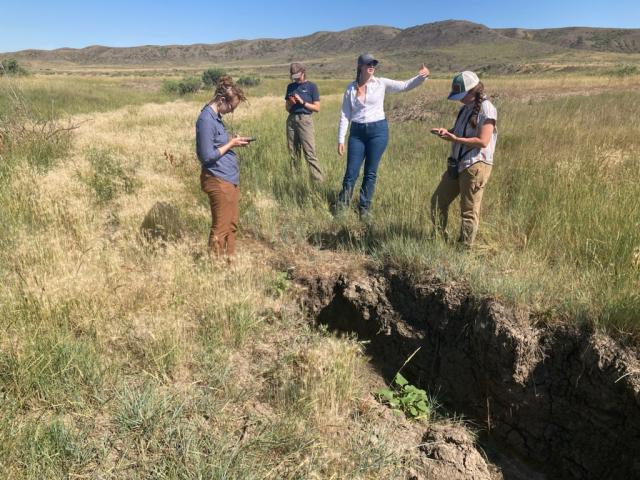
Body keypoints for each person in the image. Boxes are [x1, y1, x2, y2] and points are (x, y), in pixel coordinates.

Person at [337, 53, 430, 219]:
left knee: (370, 172)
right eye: (368, 63)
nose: (372, 65)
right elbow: (345, 114)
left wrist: (422, 76)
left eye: (373, 63)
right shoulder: (350, 88)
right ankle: (342, 206)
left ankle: (364, 208)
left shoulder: (381, 83)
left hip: (378, 131)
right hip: (357, 133)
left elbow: (404, 85)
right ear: (360, 67)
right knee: (351, 172)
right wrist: (340, 139)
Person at [430, 71, 497, 248]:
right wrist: (448, 132)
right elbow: (462, 131)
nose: (459, 100)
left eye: (461, 95)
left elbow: (483, 141)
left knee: (468, 211)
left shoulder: (487, 108)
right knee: (438, 201)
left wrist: (455, 139)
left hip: (475, 165)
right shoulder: (465, 109)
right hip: (458, 163)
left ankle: (463, 250)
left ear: (472, 91)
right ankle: (438, 241)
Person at [196, 75, 251, 259]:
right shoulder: (206, 120)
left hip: (229, 178)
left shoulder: (216, 117)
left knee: (232, 224)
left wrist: (231, 141)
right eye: (231, 108)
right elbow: (206, 156)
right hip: (217, 179)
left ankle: (230, 260)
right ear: (221, 100)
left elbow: (216, 146)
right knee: (220, 227)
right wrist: (231, 144)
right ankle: (215, 268)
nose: (231, 112)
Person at [285, 62, 323, 182]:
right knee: (293, 153)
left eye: (297, 76)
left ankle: (318, 183)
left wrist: (303, 103)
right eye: (293, 77)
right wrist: (290, 102)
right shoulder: (290, 87)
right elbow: (287, 108)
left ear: (303, 72)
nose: (296, 79)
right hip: (291, 120)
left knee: (309, 153)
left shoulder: (312, 86)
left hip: (305, 120)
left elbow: (317, 108)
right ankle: (296, 181)